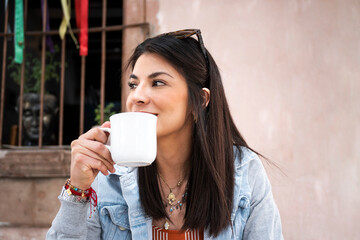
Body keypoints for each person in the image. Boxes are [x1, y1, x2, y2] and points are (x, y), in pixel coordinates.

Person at [47, 29, 283, 239]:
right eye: (133, 84)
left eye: (157, 82)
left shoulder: (243, 171)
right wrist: (78, 188)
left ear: (199, 101)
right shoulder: (110, 175)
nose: (136, 97)